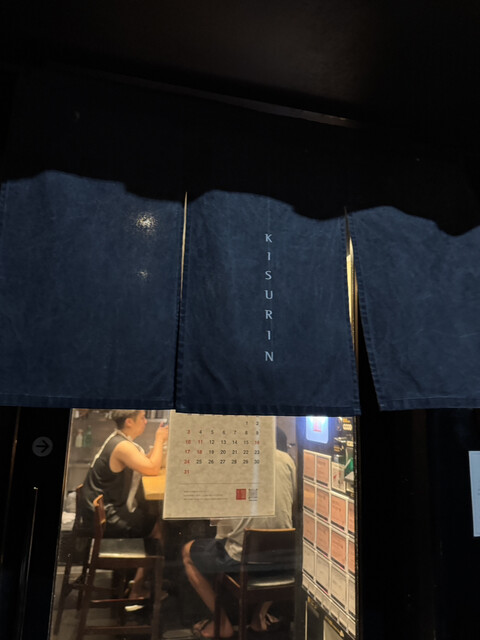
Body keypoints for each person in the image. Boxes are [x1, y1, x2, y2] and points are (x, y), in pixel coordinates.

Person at [182, 427, 296, 639]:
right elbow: (293, 502)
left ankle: (223, 623)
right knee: (265, 545)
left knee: (188, 552)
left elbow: (218, 518)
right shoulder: (287, 460)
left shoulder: (233, 462)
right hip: (283, 559)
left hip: (241, 560)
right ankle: (259, 615)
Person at [80, 409, 169, 601]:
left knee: (150, 517)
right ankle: (137, 588)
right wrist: (160, 438)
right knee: (159, 529)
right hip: (108, 518)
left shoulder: (119, 440)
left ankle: (133, 581)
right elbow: (152, 469)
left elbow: (146, 462)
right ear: (129, 422)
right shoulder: (122, 446)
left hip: (103, 513)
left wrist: (159, 446)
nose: (145, 421)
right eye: (142, 418)